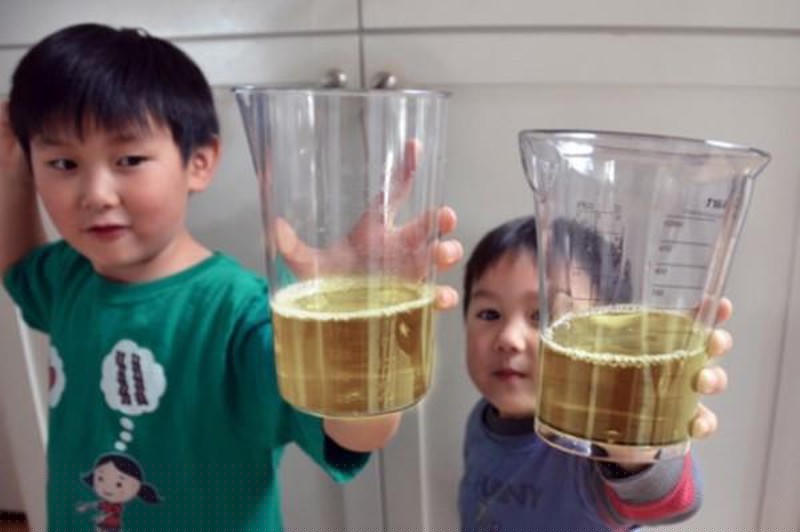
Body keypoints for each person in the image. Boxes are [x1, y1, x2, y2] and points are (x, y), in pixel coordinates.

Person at [0, 23, 462, 531]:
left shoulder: (240, 314)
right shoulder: (67, 276)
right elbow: (17, 268)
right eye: (63, 163)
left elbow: (358, 434)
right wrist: (13, 176)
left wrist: (352, 312)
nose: (96, 194)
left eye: (129, 159)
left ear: (199, 162)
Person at [458, 216, 733, 531]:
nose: (508, 338)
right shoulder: (480, 419)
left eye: (541, 316)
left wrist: (634, 445)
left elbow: (667, 501)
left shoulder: (591, 446)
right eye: (489, 314)